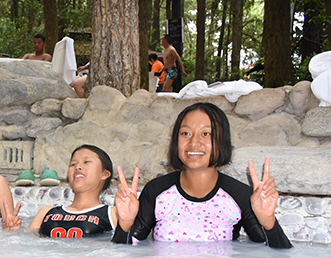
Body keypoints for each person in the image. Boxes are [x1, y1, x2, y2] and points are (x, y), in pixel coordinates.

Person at [112, 102, 292, 249]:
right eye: (185, 133)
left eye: (206, 134)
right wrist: (125, 224)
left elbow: (273, 256)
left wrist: (268, 221)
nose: (194, 142)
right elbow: (126, 252)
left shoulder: (240, 195)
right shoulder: (157, 190)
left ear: (222, 141)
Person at [28, 145, 117, 237]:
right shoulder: (46, 212)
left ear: (104, 174)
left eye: (86, 162)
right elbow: (29, 241)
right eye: (73, 164)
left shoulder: (112, 214)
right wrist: (17, 232)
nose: (77, 167)